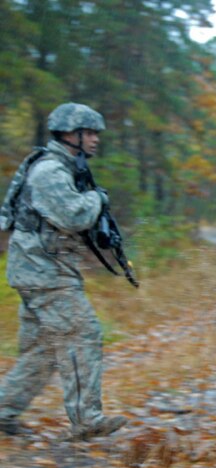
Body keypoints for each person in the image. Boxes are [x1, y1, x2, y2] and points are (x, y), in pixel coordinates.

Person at [0, 103, 128, 440]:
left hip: (40, 271)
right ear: (73, 134)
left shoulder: (63, 167)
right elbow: (73, 216)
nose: (97, 140)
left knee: (42, 351)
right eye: (92, 133)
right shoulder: (51, 172)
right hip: (45, 275)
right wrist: (97, 200)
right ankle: (87, 420)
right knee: (82, 335)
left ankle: (4, 412)